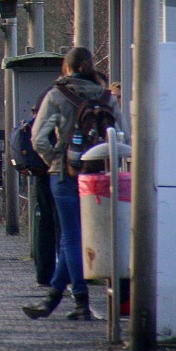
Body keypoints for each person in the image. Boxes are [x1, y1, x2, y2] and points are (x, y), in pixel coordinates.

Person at [23, 46, 122, 321]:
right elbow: (122, 135)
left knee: (71, 237)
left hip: (66, 175)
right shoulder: (106, 97)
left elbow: (38, 138)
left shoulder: (57, 95)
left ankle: (80, 300)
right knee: (78, 236)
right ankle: (53, 298)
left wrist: (55, 160)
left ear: (66, 68)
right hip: (100, 176)